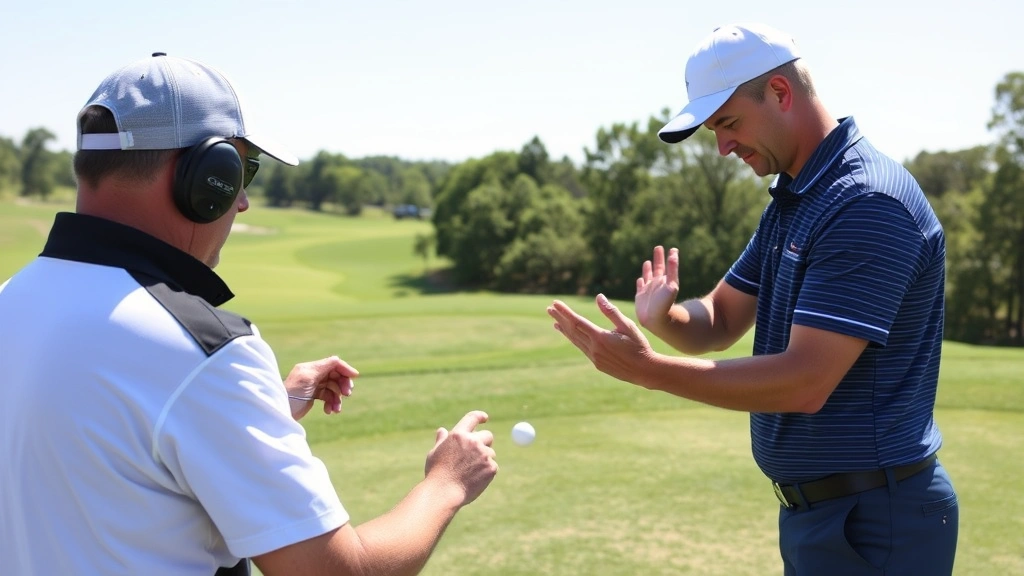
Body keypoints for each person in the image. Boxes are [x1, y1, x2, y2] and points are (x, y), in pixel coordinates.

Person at [0, 53, 498, 576]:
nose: (242, 203)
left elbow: (98, 452)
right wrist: (446, 484)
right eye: (242, 172)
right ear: (204, 177)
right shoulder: (203, 351)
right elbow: (340, 572)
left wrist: (257, 407)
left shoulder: (13, 300)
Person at [547, 23, 957, 575]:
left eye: (729, 123)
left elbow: (805, 382)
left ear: (781, 93)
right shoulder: (796, 198)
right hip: (828, 515)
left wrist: (650, 371)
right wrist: (664, 315)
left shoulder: (866, 203)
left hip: (875, 520)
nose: (722, 148)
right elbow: (717, 318)